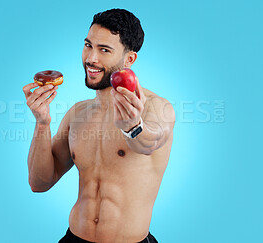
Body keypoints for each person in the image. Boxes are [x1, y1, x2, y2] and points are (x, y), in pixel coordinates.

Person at [22, 8, 175, 243]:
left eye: (104, 50)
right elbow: (39, 182)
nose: (91, 58)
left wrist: (133, 126)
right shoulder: (78, 113)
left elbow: (149, 142)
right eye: (88, 45)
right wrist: (42, 123)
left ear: (129, 59)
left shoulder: (156, 108)